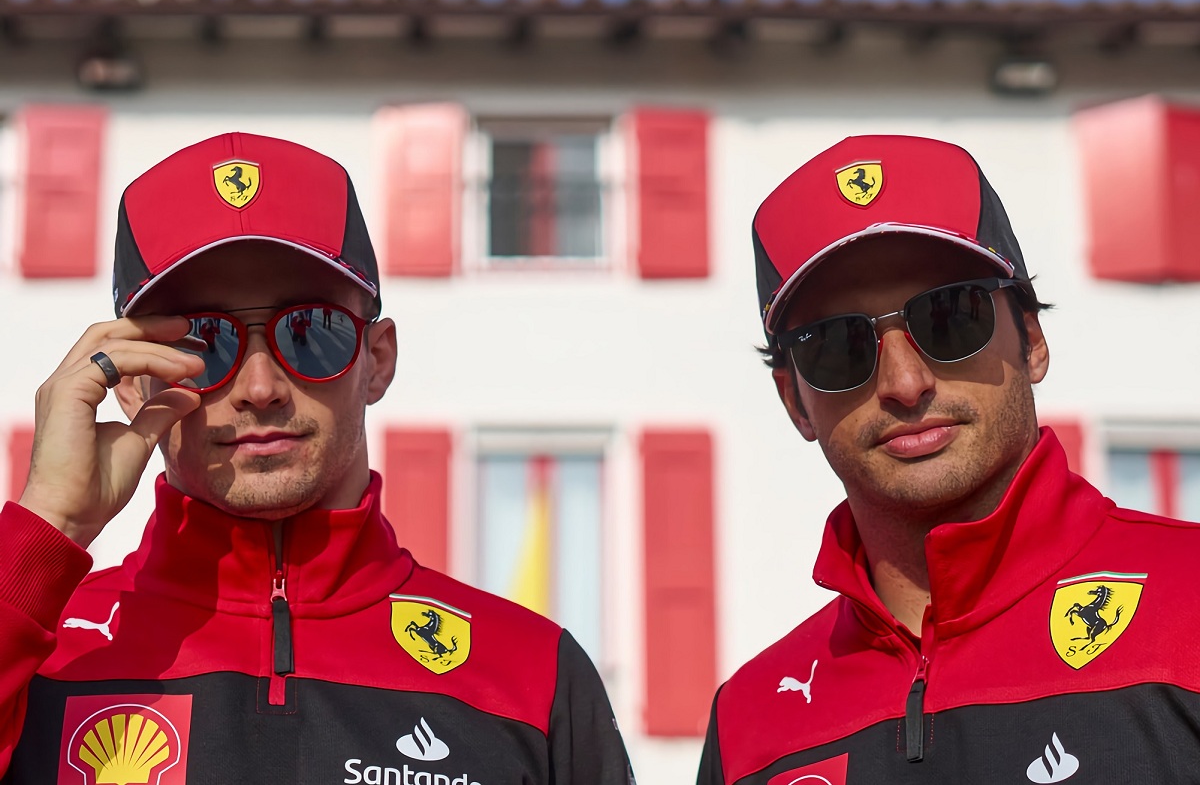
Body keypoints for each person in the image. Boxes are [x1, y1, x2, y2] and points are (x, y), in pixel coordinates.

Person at [0, 133, 635, 784]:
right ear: (135, 382)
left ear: (377, 360)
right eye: (204, 342)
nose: (259, 389)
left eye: (310, 331)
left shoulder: (533, 675)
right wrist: (48, 524)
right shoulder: (39, 654)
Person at [698, 135, 1200, 784]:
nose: (905, 383)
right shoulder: (751, 723)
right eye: (836, 345)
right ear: (794, 399)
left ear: (1034, 339)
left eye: (950, 315)